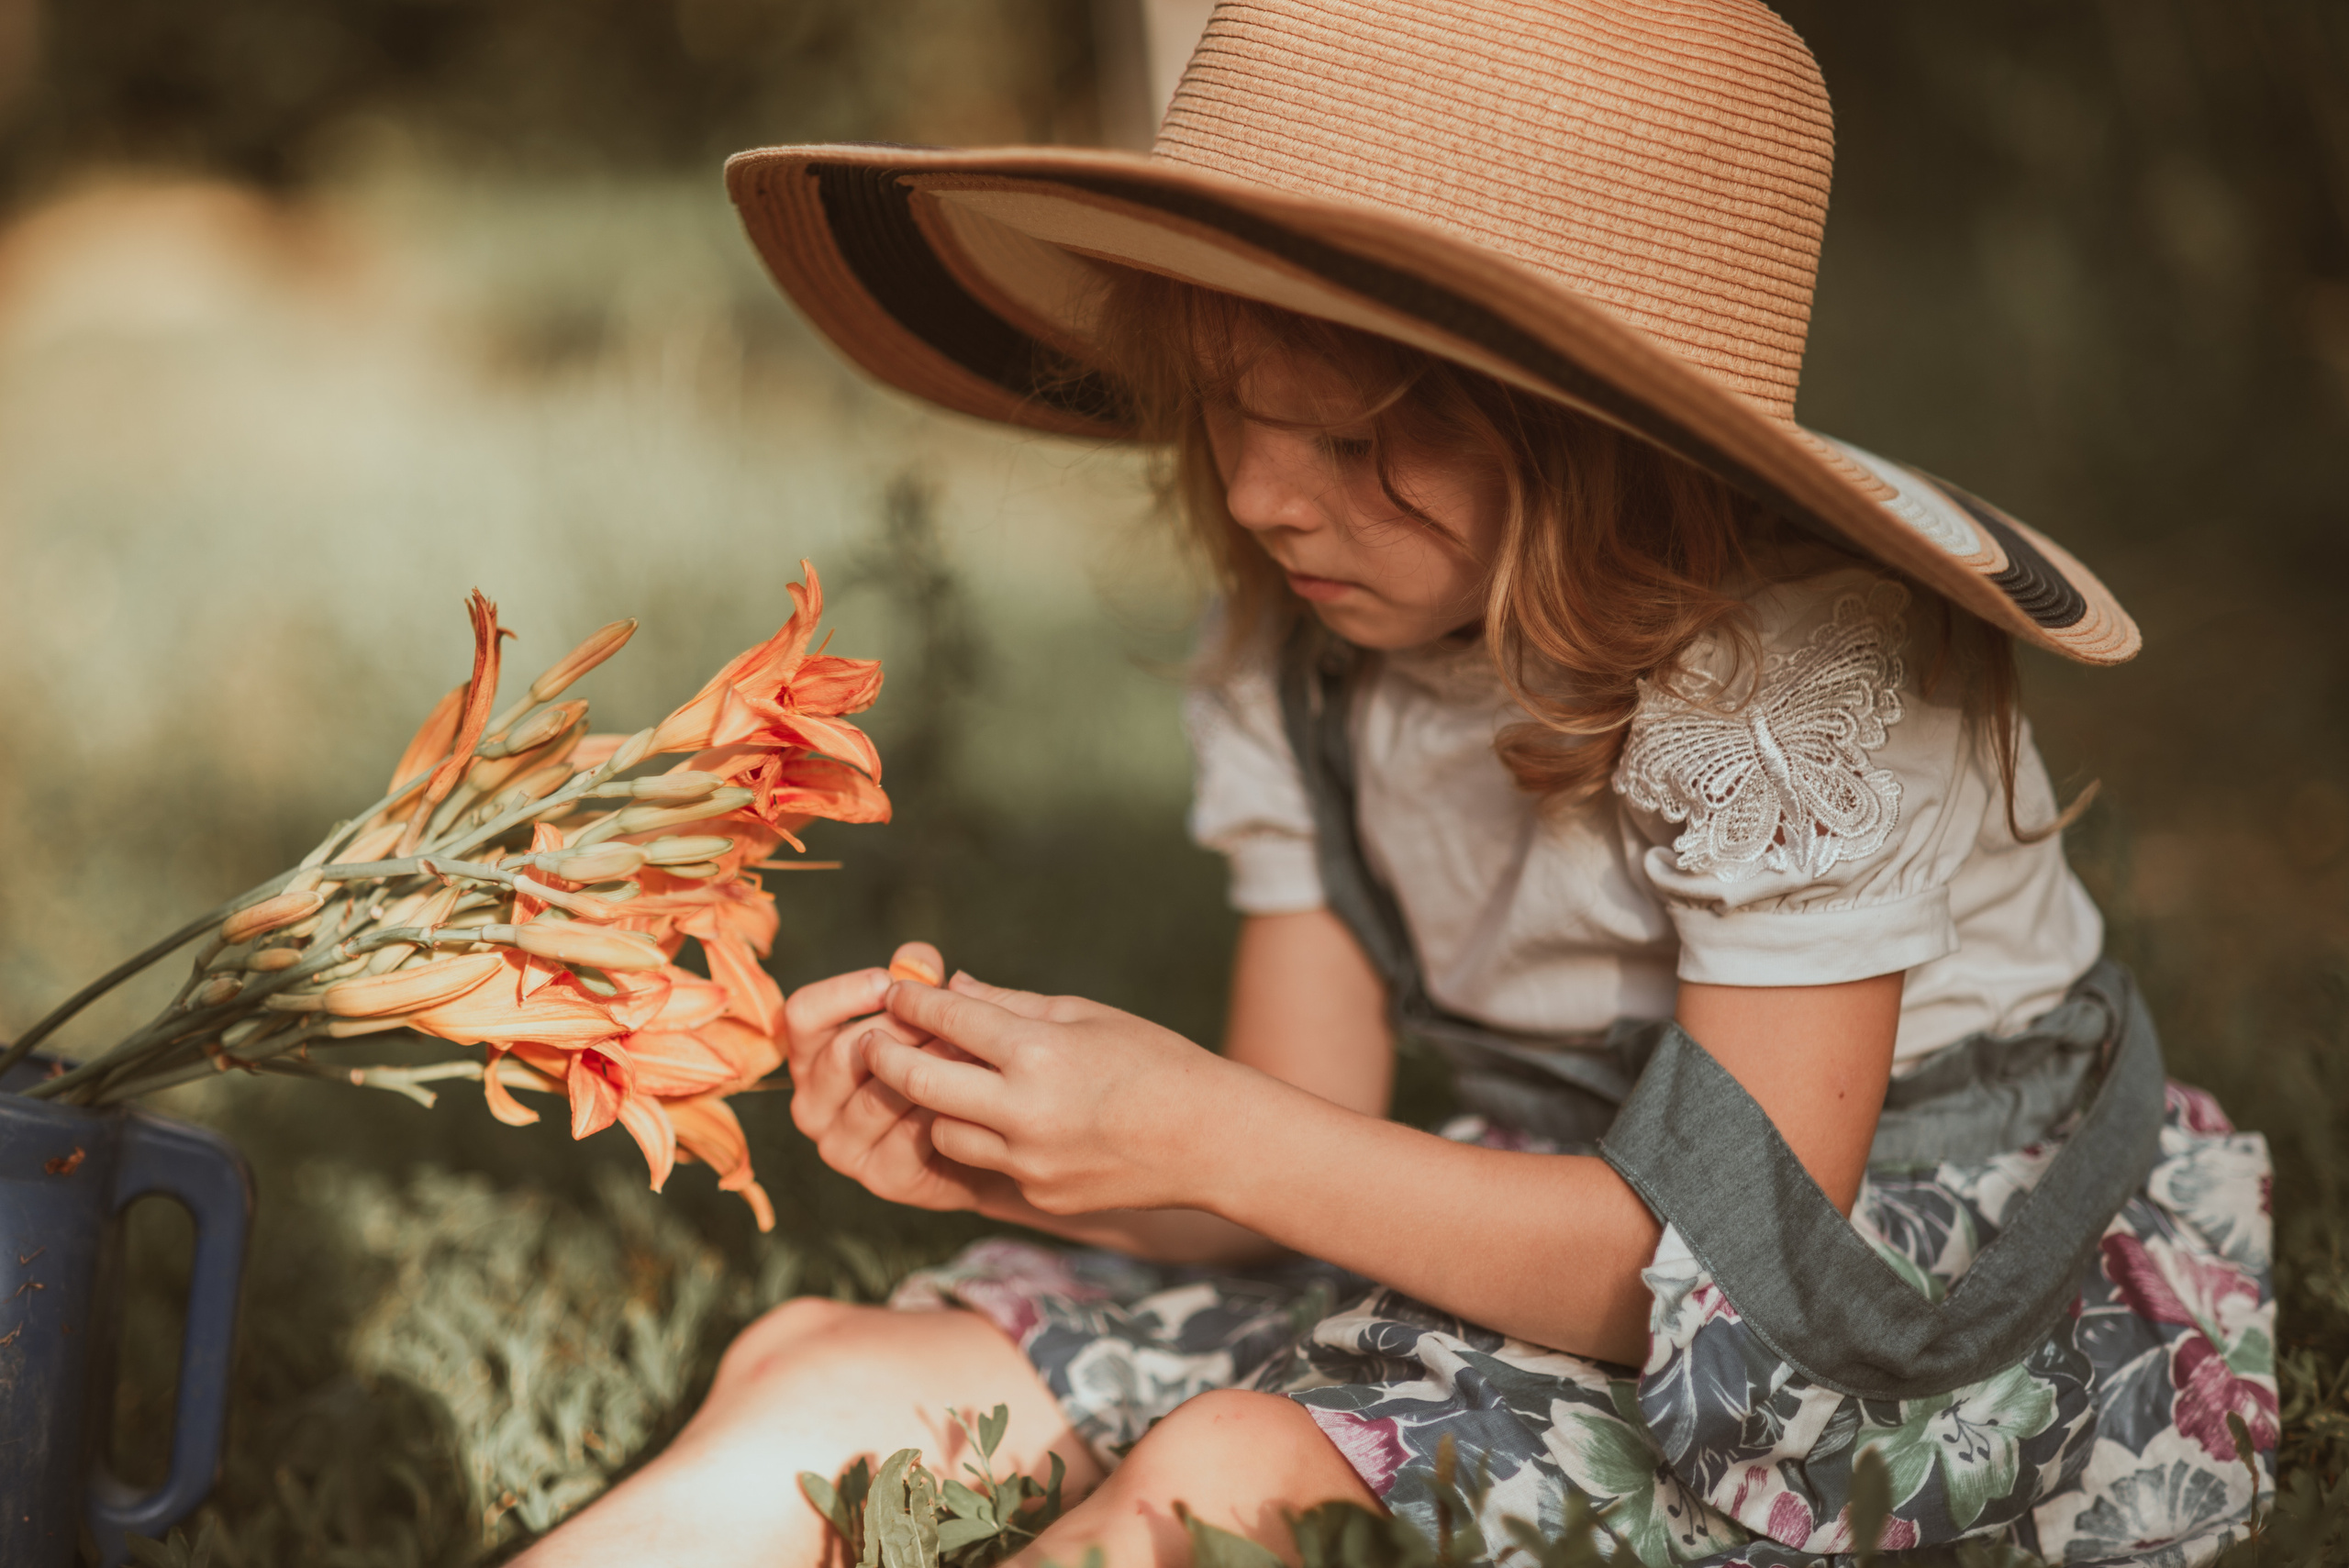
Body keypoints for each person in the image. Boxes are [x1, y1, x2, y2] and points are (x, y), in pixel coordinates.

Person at [523, 3, 2276, 1564]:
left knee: (1227, 1478)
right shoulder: (1307, 650)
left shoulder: (1794, 686)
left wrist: (1203, 1124)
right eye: (1226, 405)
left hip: (1887, 1287)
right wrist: (1033, 1150)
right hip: (1519, 1200)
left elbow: (1719, 1274)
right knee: (825, 1373)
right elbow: (1295, 1130)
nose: (1275, 498)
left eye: (1361, 435)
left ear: (1600, 436)